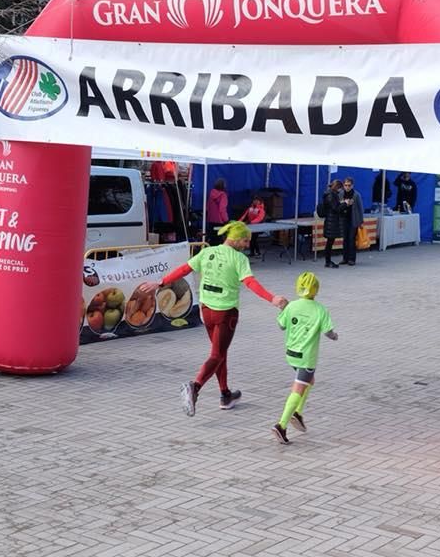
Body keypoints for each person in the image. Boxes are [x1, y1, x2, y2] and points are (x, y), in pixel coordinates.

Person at [140, 221, 288, 417]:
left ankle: (225, 395)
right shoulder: (239, 259)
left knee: (219, 353)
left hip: (206, 310)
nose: (246, 245)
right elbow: (250, 282)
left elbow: (185, 269)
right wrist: (273, 298)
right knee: (217, 354)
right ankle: (194, 387)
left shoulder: (206, 252)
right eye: (245, 241)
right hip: (226, 312)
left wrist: (160, 282)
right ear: (235, 240)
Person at [271, 271, 338, 445]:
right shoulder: (320, 309)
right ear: (316, 290)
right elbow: (328, 332)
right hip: (307, 358)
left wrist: (284, 308)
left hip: (291, 354)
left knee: (310, 381)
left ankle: (298, 413)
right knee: (298, 389)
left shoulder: (292, 306)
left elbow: (281, 325)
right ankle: (282, 424)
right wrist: (335, 336)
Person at [340, 177, 364, 266]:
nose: (347, 187)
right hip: (344, 219)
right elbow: (338, 205)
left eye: (349, 185)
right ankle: (344, 258)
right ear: (343, 185)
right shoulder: (341, 193)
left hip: (353, 220)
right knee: (345, 239)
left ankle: (352, 259)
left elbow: (361, 208)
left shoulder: (356, 195)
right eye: (345, 185)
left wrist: (361, 221)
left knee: (351, 239)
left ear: (352, 185)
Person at [321, 180, 344, 268]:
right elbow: (335, 208)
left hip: (331, 220)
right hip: (331, 221)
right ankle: (328, 261)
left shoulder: (330, 194)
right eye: (340, 188)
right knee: (330, 242)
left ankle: (328, 261)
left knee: (330, 242)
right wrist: (345, 204)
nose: (340, 190)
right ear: (337, 187)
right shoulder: (331, 195)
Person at [207, 178, 229, 246]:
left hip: (211, 220)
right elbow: (222, 209)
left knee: (212, 239)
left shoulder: (211, 194)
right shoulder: (223, 195)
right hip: (219, 221)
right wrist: (226, 220)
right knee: (219, 240)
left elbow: (208, 207)